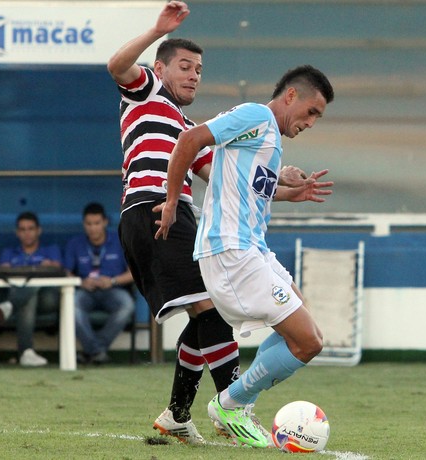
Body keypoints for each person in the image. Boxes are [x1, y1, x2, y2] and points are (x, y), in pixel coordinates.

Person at [155, 64, 335, 448]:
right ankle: (231, 404)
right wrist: (172, 201)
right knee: (308, 343)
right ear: (291, 96)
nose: (311, 122)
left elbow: (246, 185)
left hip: (254, 248)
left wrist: (289, 190)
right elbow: (189, 139)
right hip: (232, 250)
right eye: (311, 111)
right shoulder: (256, 115)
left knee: (308, 332)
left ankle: (236, 403)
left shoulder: (267, 136)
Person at [108, 1, 252, 444]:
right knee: (213, 308)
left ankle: (177, 414)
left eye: (199, 70)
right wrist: (157, 29)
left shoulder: (187, 126)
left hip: (171, 215)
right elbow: (117, 65)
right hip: (155, 211)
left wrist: (284, 183)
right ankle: (234, 410)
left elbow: (226, 179)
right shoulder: (147, 90)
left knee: (207, 311)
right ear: (161, 68)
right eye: (185, 66)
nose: (193, 75)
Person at [64, 202, 135, 365]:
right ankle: (97, 351)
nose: (92, 228)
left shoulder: (119, 240)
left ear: (105, 222)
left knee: (126, 305)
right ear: (84, 224)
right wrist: (81, 282)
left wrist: (112, 281)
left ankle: (92, 350)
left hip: (112, 289)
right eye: (88, 224)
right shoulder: (75, 243)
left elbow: (134, 273)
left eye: (96, 223)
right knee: (72, 305)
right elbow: (66, 272)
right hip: (85, 290)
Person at [0, 211, 62, 367]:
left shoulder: (51, 249)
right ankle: (26, 353)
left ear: (39, 230)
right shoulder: (8, 253)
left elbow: (58, 270)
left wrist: (47, 268)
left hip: (48, 300)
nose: (27, 233)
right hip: (21, 297)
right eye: (22, 229)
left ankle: (10, 305)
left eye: (30, 228)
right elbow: (1, 273)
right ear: (17, 232)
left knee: (32, 283)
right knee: (28, 299)